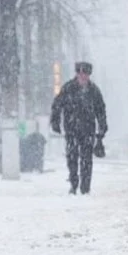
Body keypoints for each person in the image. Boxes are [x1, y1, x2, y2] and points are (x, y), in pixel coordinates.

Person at [50, 61, 108, 194]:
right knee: (72, 157)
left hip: (88, 130)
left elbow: (101, 110)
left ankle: (85, 187)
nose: (82, 76)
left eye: (85, 73)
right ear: (76, 74)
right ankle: (74, 182)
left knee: (87, 158)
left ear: (88, 75)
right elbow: (57, 104)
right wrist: (55, 121)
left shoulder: (94, 91)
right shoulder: (68, 88)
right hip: (71, 129)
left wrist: (102, 128)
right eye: (80, 73)